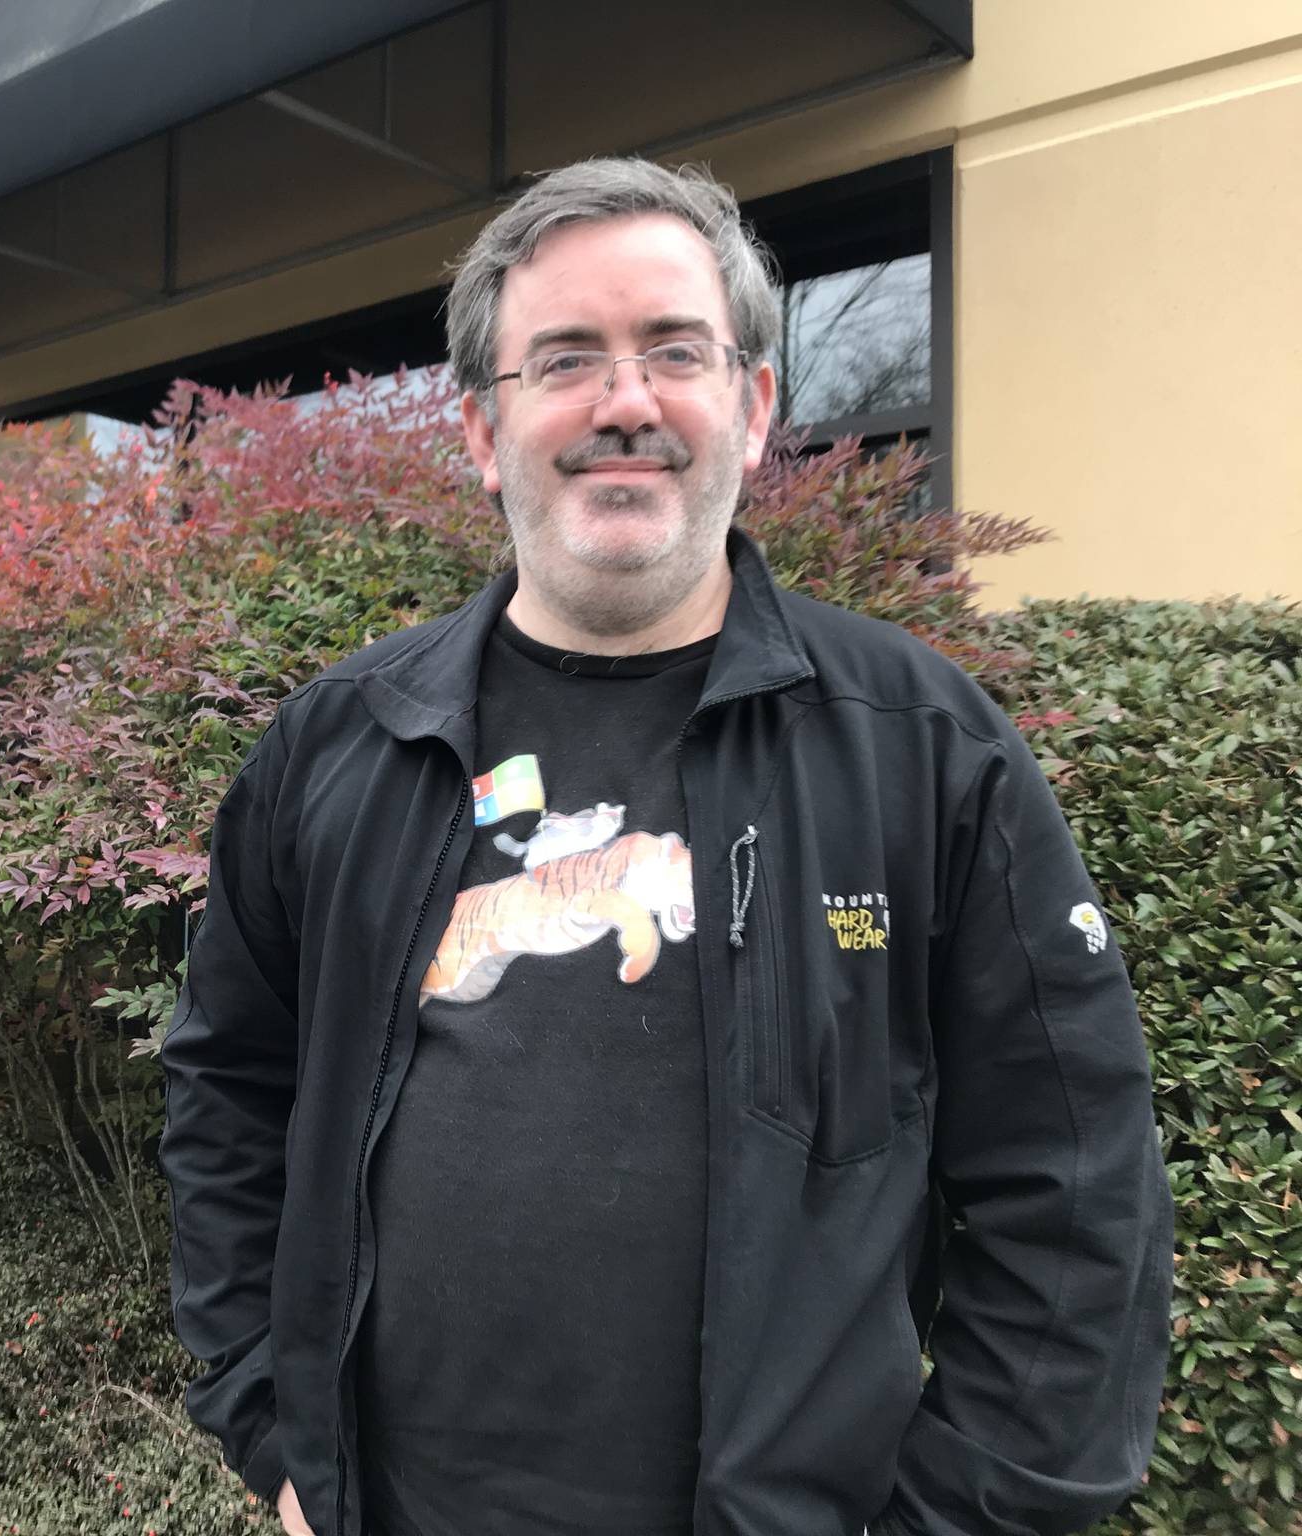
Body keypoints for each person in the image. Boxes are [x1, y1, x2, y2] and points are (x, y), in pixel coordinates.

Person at [157, 157, 1170, 1536]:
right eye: (563, 358)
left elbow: (1076, 1188)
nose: (624, 402)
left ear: (753, 409)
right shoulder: (342, 745)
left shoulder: (926, 750)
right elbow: (229, 1088)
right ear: (480, 428)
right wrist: (271, 1424)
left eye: (674, 353)